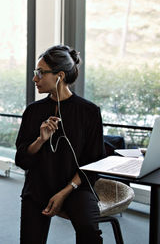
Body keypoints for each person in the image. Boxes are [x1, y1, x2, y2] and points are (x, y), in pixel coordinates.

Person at [15, 45, 104, 244]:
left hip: (76, 187)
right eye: (34, 73)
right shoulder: (33, 111)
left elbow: (94, 162)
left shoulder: (89, 112)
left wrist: (65, 191)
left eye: (40, 73)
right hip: (38, 187)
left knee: (89, 232)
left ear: (60, 75)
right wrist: (40, 140)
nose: (34, 79)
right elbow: (21, 159)